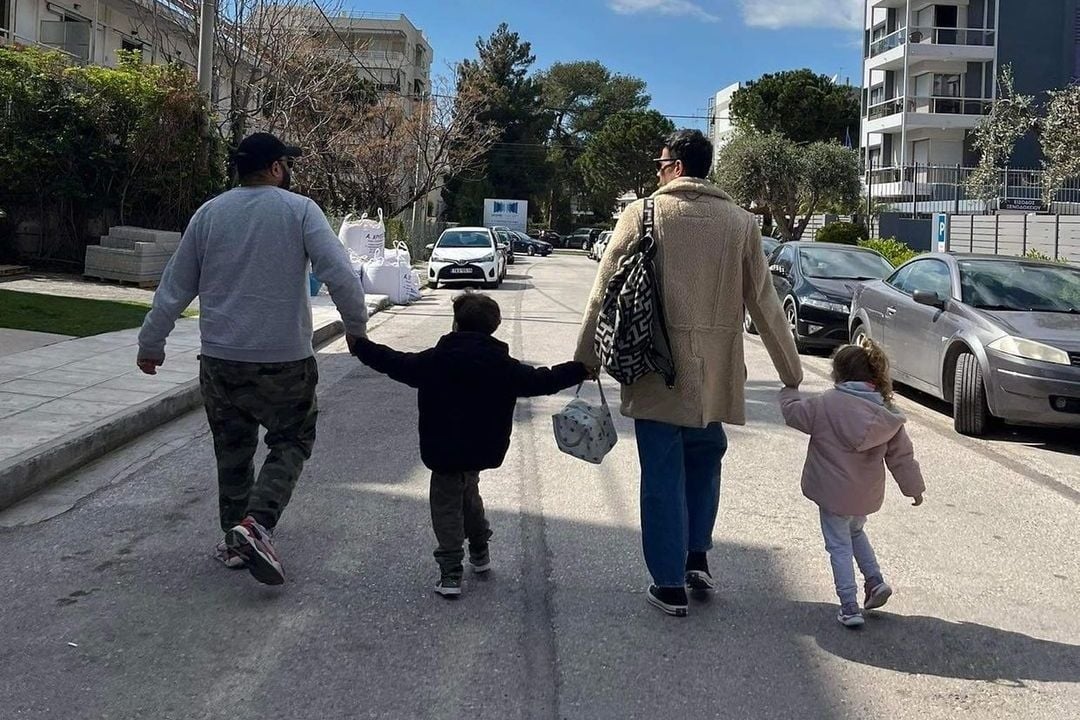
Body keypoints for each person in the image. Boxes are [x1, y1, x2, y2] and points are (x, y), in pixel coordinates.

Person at [574, 129, 803, 617]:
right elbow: (764, 302)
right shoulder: (741, 223)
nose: (658, 173)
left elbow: (603, 288)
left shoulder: (643, 213)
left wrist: (585, 357)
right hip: (716, 374)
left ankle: (669, 583)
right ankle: (697, 555)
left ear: (677, 167)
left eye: (661, 165)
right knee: (704, 461)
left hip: (655, 367)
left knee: (662, 475)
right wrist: (791, 371)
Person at [137, 132, 368, 586]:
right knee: (293, 440)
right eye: (287, 164)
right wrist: (356, 329)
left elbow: (175, 285)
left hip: (219, 361)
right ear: (277, 168)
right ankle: (256, 524)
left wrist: (151, 343)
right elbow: (338, 273)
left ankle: (234, 541)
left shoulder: (209, 214)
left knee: (232, 451)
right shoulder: (300, 210)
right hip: (284, 362)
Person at [348, 293, 588, 598]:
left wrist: (360, 346)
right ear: (494, 326)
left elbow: (392, 361)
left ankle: (451, 572)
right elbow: (545, 379)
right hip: (483, 450)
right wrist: (580, 369)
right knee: (469, 493)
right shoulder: (503, 366)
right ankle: (479, 551)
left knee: (446, 505)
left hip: (444, 451)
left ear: (456, 324)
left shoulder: (434, 361)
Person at [779, 340, 925, 628]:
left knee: (838, 546)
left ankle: (849, 605)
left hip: (832, 494)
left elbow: (794, 414)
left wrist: (789, 392)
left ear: (838, 374)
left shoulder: (825, 404)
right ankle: (875, 581)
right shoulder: (886, 413)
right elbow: (902, 457)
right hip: (864, 496)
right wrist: (914, 488)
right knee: (855, 532)